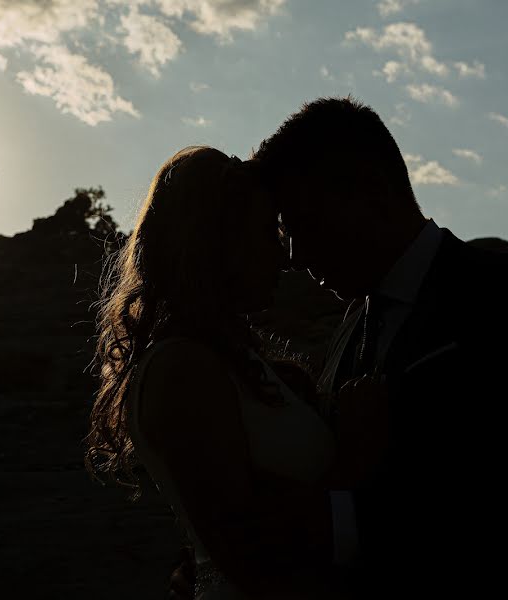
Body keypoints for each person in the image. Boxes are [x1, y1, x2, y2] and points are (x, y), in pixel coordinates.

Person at [249, 96, 508, 598]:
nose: (294, 257)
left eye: (302, 225)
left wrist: (308, 533)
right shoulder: (346, 336)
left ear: (370, 188)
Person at [85, 146, 389, 599]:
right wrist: (354, 458)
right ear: (215, 242)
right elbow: (248, 552)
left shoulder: (244, 368)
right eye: (267, 234)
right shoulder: (180, 370)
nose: (283, 257)